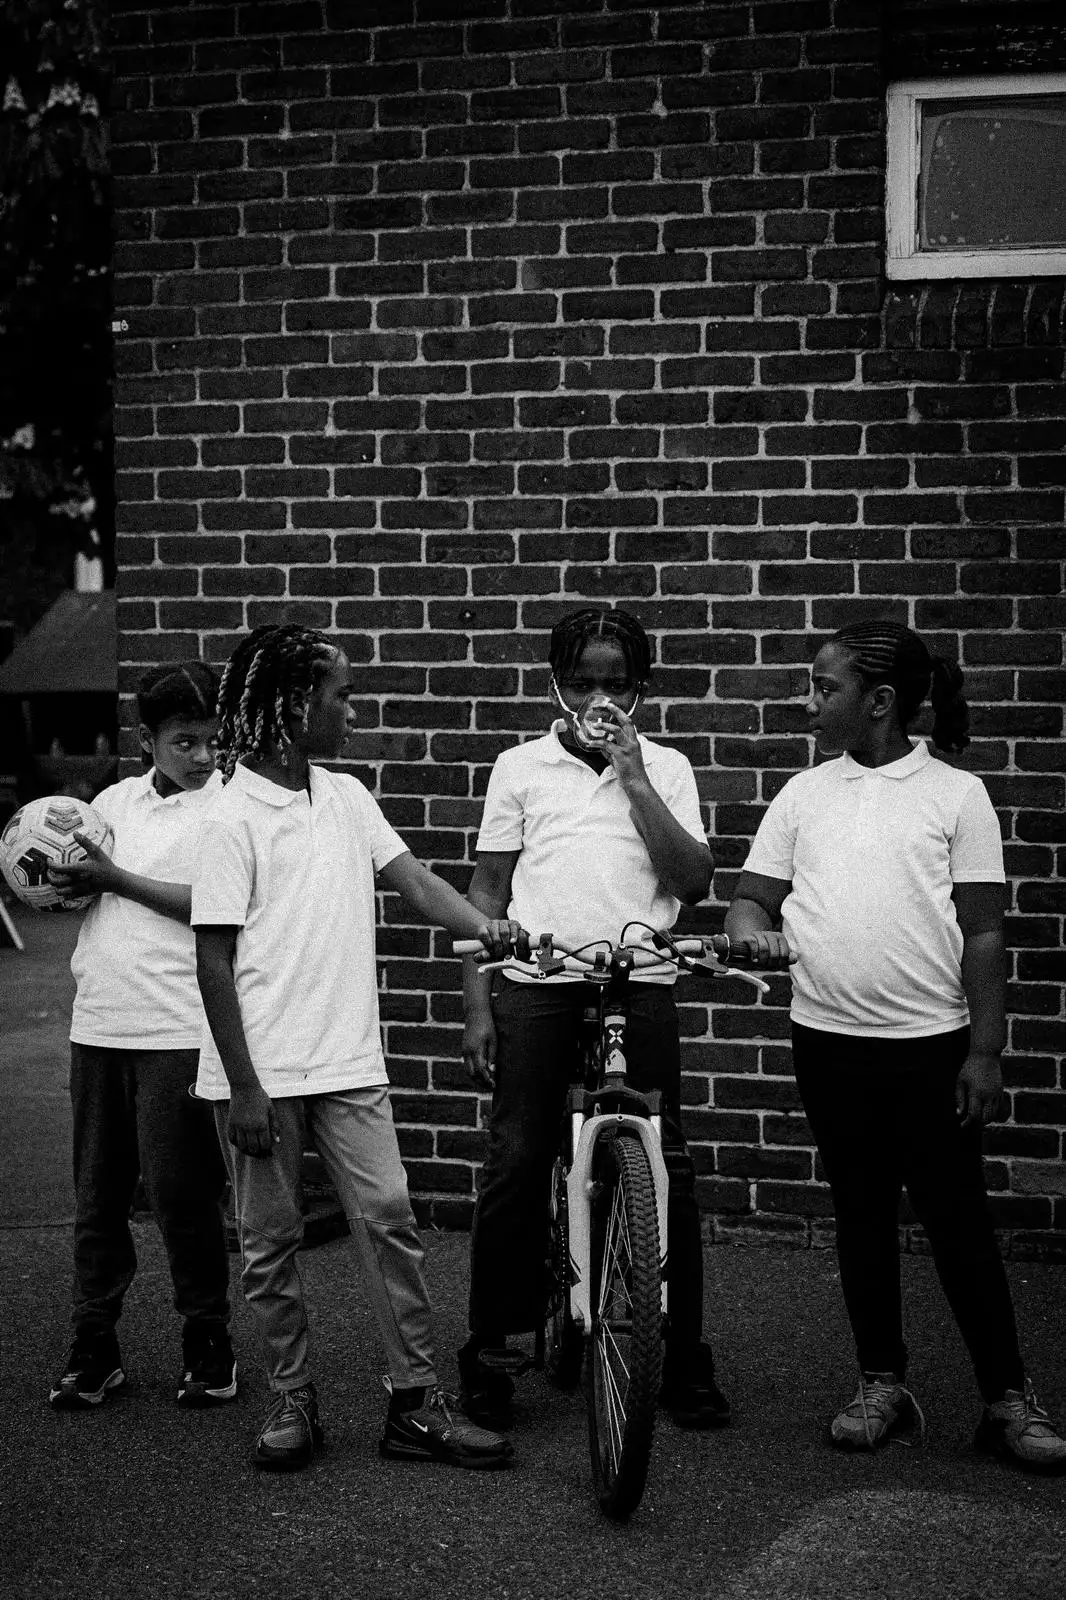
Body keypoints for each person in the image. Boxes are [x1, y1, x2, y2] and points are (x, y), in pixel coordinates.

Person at [724, 619, 1066, 1471]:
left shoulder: (955, 795)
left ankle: (1008, 1399)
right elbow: (749, 903)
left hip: (932, 1049)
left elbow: (983, 933)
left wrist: (984, 1051)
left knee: (960, 1225)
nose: (808, 701)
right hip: (828, 1042)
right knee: (862, 1216)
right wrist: (751, 932)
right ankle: (882, 1383)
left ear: (879, 703)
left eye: (822, 687)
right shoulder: (803, 795)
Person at [193, 623, 525, 1472]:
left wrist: (493, 930)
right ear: (297, 704)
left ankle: (414, 1407)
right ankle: (291, 1400)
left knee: (389, 1220)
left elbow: (415, 884)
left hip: (348, 1061)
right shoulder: (230, 814)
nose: (351, 709)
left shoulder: (345, 796)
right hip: (261, 1071)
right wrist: (246, 1087)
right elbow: (213, 958)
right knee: (269, 1242)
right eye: (341, 694)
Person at [458, 607, 729, 1431]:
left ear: (640, 692)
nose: (599, 697)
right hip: (538, 978)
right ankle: (492, 1346)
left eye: (616, 684)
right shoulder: (520, 767)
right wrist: (478, 1003)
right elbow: (488, 892)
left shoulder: (667, 767)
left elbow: (692, 883)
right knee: (517, 1155)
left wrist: (635, 776)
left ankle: (681, 1350)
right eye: (583, 683)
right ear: (555, 686)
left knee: (664, 1157)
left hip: (637, 975)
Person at [48, 663, 235, 1412]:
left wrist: (113, 878)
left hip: (178, 1029)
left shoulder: (229, 808)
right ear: (145, 739)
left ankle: (208, 1341)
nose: (201, 757)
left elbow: (213, 904)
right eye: (184, 742)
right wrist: (59, 884)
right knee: (96, 1197)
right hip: (98, 1023)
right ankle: (94, 1344)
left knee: (182, 1196)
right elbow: (79, 883)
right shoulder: (110, 805)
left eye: (213, 741)